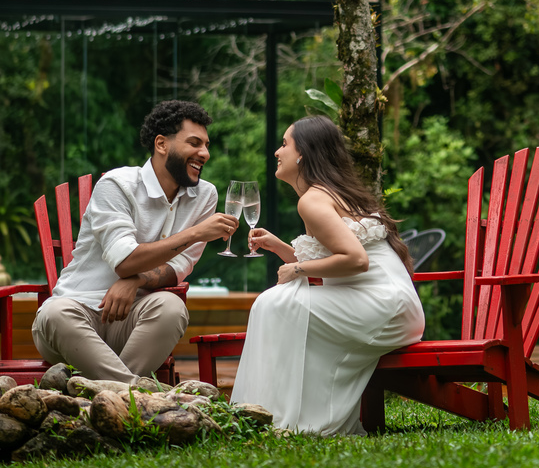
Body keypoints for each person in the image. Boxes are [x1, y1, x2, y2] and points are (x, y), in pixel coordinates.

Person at [231, 116, 425, 435]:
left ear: (303, 154)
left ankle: (279, 418)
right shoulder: (323, 194)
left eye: (284, 144)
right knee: (277, 304)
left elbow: (355, 260)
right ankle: (274, 413)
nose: (277, 152)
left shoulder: (314, 200)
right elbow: (336, 260)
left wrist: (297, 268)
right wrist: (281, 249)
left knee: (276, 304)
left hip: (385, 306)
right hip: (390, 305)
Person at [31, 100, 239, 384]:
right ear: (162, 144)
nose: (205, 153)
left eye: (206, 145)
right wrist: (196, 232)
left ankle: (111, 395)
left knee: (171, 308)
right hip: (76, 320)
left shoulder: (205, 196)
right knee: (55, 313)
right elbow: (125, 261)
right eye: (194, 143)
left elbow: (179, 267)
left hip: (132, 328)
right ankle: (135, 394)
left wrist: (136, 281)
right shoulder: (118, 186)